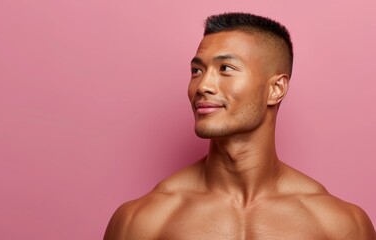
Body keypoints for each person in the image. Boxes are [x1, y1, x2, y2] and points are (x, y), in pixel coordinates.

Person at [104, 12, 376, 239]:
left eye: (225, 69)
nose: (203, 86)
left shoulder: (339, 226)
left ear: (276, 89)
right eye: (197, 71)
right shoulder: (143, 222)